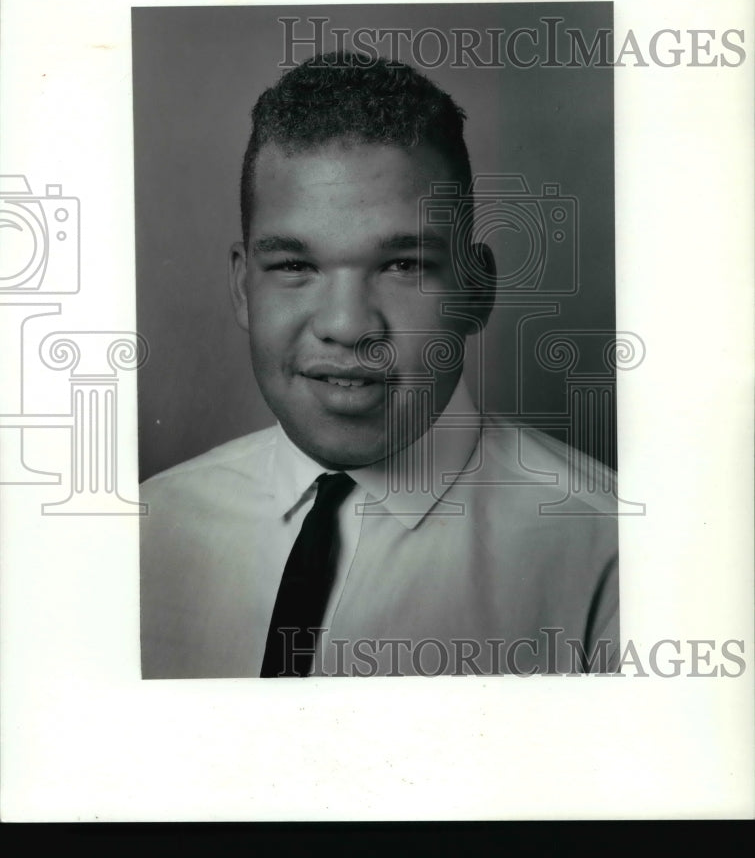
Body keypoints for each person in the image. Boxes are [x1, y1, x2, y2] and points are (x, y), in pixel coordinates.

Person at [140, 52, 619, 679]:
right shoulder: (144, 534)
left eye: (402, 266)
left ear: (477, 290)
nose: (346, 326)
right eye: (293, 266)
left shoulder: (613, 557)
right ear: (241, 288)